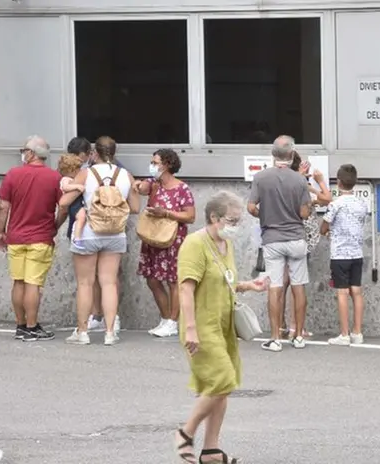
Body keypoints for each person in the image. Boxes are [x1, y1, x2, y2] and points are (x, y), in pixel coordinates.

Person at [174, 191, 269, 464]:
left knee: (223, 387)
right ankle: (185, 433)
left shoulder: (225, 244)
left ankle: (211, 451)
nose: (236, 226)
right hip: (202, 326)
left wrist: (249, 285)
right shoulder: (195, 244)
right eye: (232, 220)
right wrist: (190, 329)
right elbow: (186, 288)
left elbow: (223, 281)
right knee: (223, 380)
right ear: (214, 217)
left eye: (239, 221)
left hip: (224, 326)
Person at [59, 136, 140, 346]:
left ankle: (83, 331)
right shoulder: (125, 174)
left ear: (94, 153)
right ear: (114, 152)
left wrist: (77, 189)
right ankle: (110, 332)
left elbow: (64, 202)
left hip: (88, 233)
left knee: (85, 283)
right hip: (115, 234)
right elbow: (135, 207)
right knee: (109, 283)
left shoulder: (86, 173)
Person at [248, 135, 312, 352]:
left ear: (273, 154)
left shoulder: (261, 177)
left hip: (272, 239)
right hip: (296, 237)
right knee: (298, 285)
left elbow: (250, 207)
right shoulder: (300, 180)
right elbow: (304, 213)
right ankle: (299, 336)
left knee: (275, 286)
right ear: (292, 154)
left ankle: (275, 338)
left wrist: (264, 215)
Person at [0, 135, 63, 342]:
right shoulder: (54, 178)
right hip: (41, 238)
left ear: (32, 153)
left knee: (18, 282)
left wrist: (1, 231)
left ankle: (21, 326)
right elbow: (64, 206)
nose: (23, 153)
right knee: (33, 283)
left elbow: (3, 206)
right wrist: (55, 226)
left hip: (16, 238)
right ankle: (32, 328)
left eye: (24, 150)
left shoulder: (13, 175)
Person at [134, 148, 196, 338]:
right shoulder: (154, 184)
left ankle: (172, 321)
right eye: (152, 162)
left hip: (173, 240)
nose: (152, 166)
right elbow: (142, 187)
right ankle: (164, 318)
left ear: (167, 164)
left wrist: (167, 213)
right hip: (153, 237)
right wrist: (140, 184)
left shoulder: (181, 188)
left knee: (173, 281)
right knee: (152, 279)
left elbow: (190, 216)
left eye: (155, 162)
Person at [277, 152, 331, 340]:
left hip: (280, 235)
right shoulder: (302, 185)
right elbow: (327, 198)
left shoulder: (279, 184)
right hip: (300, 237)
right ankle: (294, 327)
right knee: (295, 283)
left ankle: (280, 327)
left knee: (282, 282)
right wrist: (319, 179)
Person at [321, 164, 368, 346]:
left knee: (342, 292)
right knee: (356, 291)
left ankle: (344, 334)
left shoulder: (335, 204)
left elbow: (324, 226)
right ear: (354, 183)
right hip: (357, 253)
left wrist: (326, 231)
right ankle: (357, 332)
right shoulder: (361, 204)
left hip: (340, 254)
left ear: (338, 182)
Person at [57, 154, 87, 244]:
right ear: (71, 170)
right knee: (81, 217)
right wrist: (77, 186)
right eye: (78, 169)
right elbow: (65, 187)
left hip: (77, 202)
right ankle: (77, 237)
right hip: (74, 203)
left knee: (81, 217)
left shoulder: (73, 178)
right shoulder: (66, 179)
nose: (80, 171)